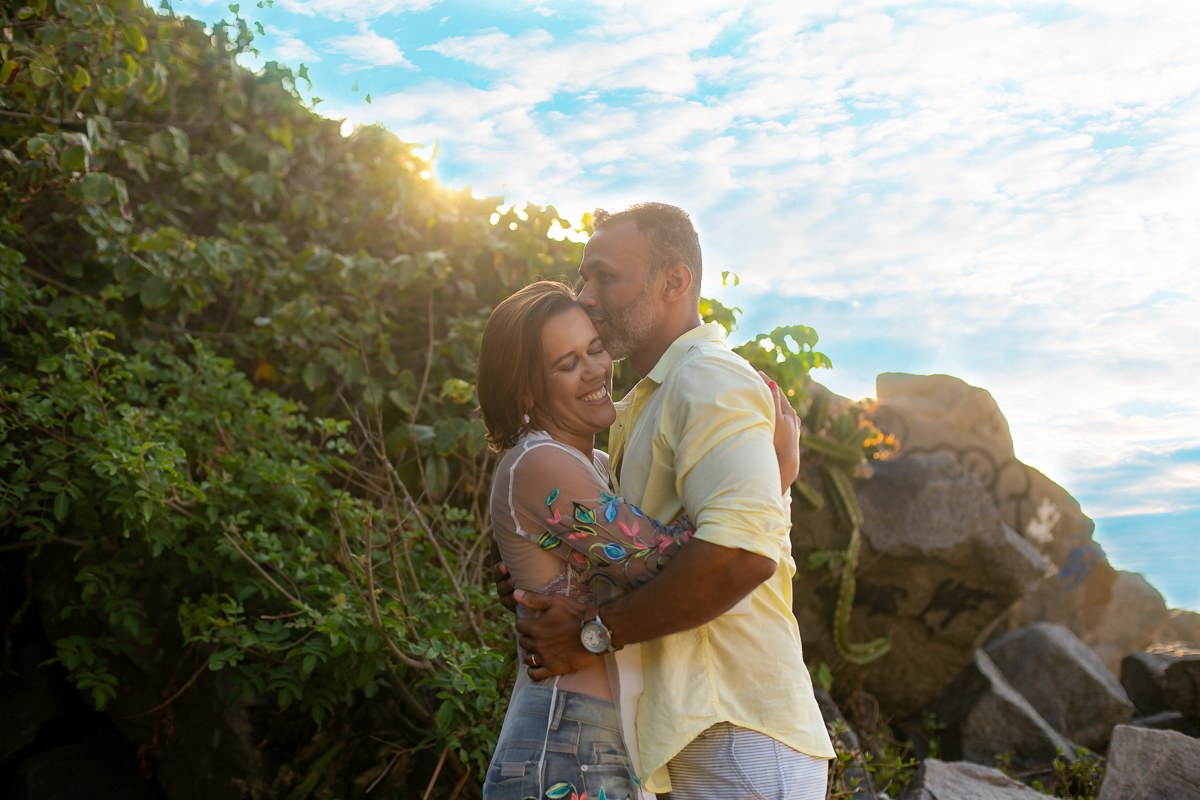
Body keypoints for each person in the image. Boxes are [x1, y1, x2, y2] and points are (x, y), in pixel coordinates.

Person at [497, 203, 836, 799]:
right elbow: (635, 547)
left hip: (737, 727)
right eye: (585, 276)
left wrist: (592, 630)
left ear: (674, 282)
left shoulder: (707, 378)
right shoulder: (637, 409)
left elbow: (739, 555)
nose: (588, 295)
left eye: (606, 276)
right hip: (686, 733)